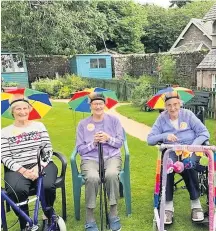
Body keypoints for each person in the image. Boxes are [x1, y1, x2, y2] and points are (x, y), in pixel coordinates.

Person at [147, 92, 210, 225]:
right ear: (165, 106)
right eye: (169, 105)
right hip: (172, 150)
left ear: (180, 104)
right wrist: (165, 135)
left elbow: (204, 133)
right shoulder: (161, 119)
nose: (173, 108)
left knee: (188, 164)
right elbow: (150, 139)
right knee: (168, 166)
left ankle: (195, 204)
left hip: (189, 149)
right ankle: (168, 207)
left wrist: (193, 146)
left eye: (175, 104)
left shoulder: (188, 115)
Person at [1, 95, 58, 231]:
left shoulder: (39, 126)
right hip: (18, 169)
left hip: (42, 164)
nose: (22, 112)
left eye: (25, 108)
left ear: (29, 109)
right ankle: (26, 222)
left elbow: (48, 149)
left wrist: (39, 168)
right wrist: (23, 171)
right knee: (17, 190)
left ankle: (47, 215)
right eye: (18, 109)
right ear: (12, 112)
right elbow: (4, 156)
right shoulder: (4, 132)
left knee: (47, 186)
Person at [76, 92, 124, 231]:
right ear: (90, 105)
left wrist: (108, 138)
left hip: (112, 157)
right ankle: (90, 218)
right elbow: (80, 150)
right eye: (95, 104)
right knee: (91, 177)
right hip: (90, 159)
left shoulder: (114, 120)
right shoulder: (82, 124)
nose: (98, 106)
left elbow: (120, 143)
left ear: (104, 105)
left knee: (111, 174)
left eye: (100, 103)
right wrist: (94, 143)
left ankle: (113, 214)